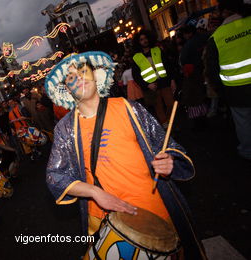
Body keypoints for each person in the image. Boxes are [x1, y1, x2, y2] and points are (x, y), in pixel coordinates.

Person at [45, 52, 206, 259]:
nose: (79, 78)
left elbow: (164, 145)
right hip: (104, 217)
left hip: (152, 208)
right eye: (70, 77)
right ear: (65, 88)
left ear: (96, 75)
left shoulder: (128, 107)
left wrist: (169, 161)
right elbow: (55, 176)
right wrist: (94, 192)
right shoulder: (65, 129)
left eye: (83, 71)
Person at [204, 0, 251, 160]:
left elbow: (212, 70)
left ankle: (247, 150)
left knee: (243, 123)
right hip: (236, 89)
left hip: (236, 91)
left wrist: (220, 91)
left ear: (224, 13)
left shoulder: (216, 37)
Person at [132, 30, 176, 128]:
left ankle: (170, 121)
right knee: (158, 107)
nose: (144, 41)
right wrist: (147, 85)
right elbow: (136, 76)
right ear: (138, 42)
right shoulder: (136, 57)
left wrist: (172, 80)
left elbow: (168, 65)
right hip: (151, 87)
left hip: (164, 82)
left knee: (170, 104)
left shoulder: (157, 50)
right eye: (141, 39)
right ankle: (166, 126)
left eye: (145, 38)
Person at [179, 25, 209, 126]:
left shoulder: (188, 45)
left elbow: (183, 59)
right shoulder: (204, 38)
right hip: (204, 69)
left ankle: (198, 122)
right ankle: (203, 118)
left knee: (193, 98)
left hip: (192, 73)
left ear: (188, 34)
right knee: (200, 96)